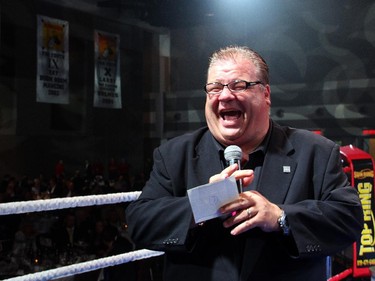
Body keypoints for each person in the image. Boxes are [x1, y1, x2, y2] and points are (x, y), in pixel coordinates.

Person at [125, 45, 364, 281]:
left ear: (266, 94)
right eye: (215, 87)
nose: (226, 95)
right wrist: (204, 203)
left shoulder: (315, 151)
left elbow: (348, 220)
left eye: (240, 85)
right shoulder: (173, 154)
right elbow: (140, 223)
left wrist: (280, 217)